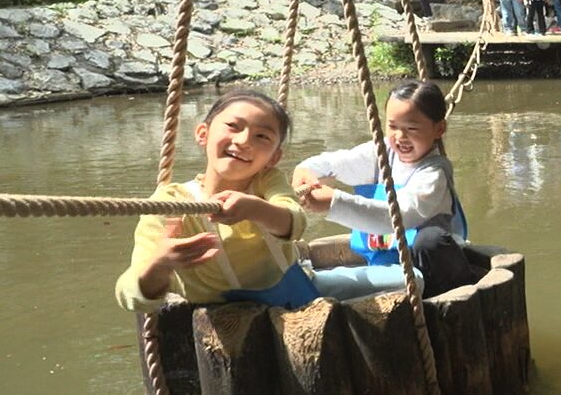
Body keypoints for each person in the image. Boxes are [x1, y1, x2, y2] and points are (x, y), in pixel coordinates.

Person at [115, 90, 313, 312]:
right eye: (233, 126)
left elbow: (295, 221)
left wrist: (256, 209)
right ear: (203, 134)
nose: (243, 141)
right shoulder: (170, 202)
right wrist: (162, 264)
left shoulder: (266, 181)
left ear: (274, 158)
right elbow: (128, 294)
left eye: (262, 136)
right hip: (222, 327)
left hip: (295, 305)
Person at [292, 80, 476, 301]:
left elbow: (397, 218)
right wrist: (305, 170)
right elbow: (336, 162)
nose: (400, 137)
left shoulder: (433, 174)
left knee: (430, 240)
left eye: (412, 128)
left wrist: (333, 203)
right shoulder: (382, 153)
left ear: (439, 129)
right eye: (393, 126)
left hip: (427, 273)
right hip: (384, 264)